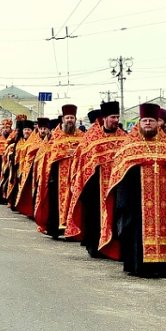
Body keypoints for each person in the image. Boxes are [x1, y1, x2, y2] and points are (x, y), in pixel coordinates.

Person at [109, 103, 166, 278]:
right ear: (139, 123)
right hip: (136, 200)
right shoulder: (129, 146)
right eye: (145, 120)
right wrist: (123, 200)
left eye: (151, 121)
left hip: (164, 199)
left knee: (165, 229)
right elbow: (119, 172)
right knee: (135, 231)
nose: (148, 124)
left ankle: (161, 267)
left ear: (158, 123)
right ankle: (136, 266)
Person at [65, 101, 126, 258]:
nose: (116, 120)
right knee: (94, 217)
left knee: (116, 216)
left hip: (116, 186)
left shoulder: (125, 138)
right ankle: (95, 247)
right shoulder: (92, 138)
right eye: (113, 117)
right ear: (104, 118)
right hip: (95, 186)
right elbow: (82, 161)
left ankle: (114, 247)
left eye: (117, 117)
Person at [34, 105, 85, 238]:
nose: (70, 120)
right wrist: (66, 153)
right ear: (63, 119)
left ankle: (73, 229)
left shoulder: (82, 136)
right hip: (57, 175)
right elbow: (48, 154)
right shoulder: (54, 135)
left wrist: (76, 153)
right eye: (67, 118)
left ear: (75, 119)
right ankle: (56, 229)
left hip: (75, 175)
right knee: (55, 202)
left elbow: (85, 152)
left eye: (72, 118)